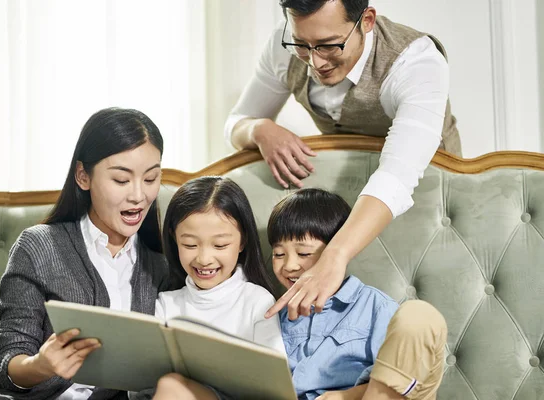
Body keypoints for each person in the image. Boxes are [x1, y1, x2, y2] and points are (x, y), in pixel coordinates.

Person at [226, 0, 461, 320]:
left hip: (428, 193)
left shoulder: (416, 60)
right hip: (349, 194)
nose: (315, 61)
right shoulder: (287, 43)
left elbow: (396, 176)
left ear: (366, 20)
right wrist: (260, 129)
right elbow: (236, 122)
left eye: (328, 45)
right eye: (303, 46)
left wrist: (334, 256)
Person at [0, 107, 182, 399]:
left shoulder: (161, 267)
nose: (138, 195)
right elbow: (8, 366)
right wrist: (40, 365)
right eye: (121, 180)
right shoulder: (39, 246)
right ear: (83, 176)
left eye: (151, 178)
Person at [268, 188, 448, 400]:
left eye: (304, 253)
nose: (289, 265)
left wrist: (346, 396)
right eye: (278, 254)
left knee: (419, 316)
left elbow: (408, 371)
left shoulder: (373, 307)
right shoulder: (275, 320)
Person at [149, 176, 285, 400]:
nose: (204, 259)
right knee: (169, 385)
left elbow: (274, 383)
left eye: (220, 245)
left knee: (171, 385)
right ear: (174, 240)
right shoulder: (166, 304)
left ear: (242, 241)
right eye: (190, 245)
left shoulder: (257, 301)